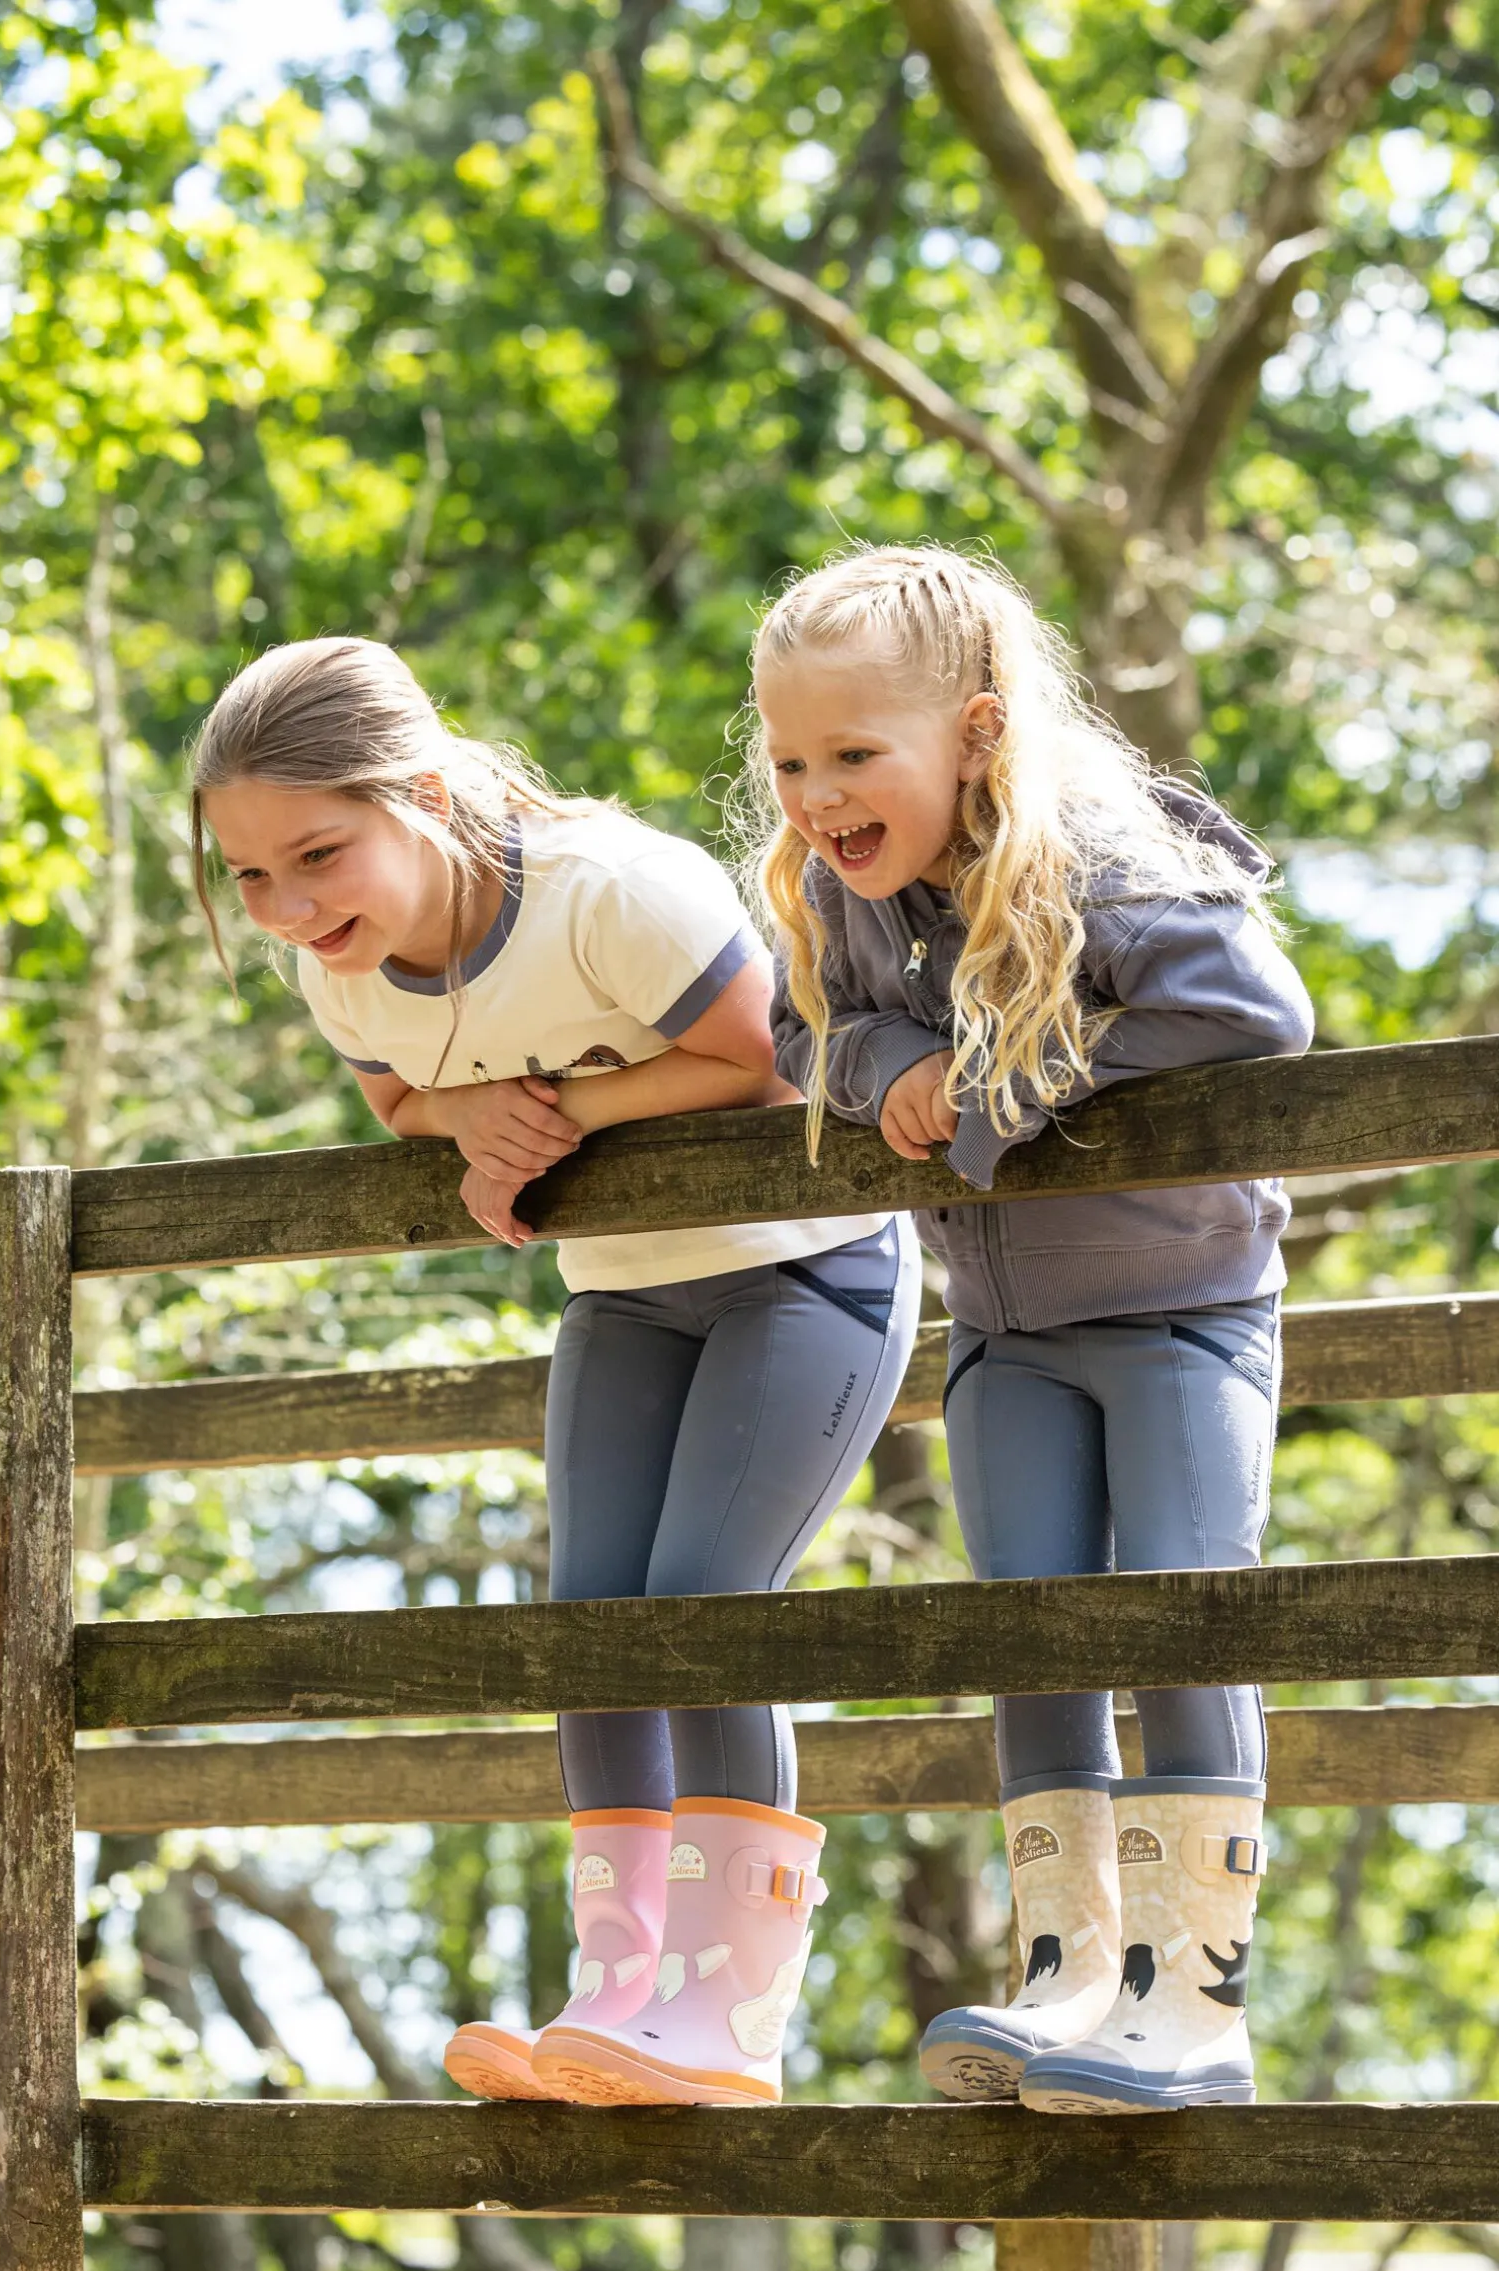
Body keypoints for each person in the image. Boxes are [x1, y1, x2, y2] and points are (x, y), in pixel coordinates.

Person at [189, 636, 920, 2108]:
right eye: (250, 875)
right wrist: (471, 1122)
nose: (288, 907)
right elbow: (401, 1094)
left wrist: (546, 1115)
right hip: (626, 1296)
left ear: (428, 794)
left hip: (804, 1269)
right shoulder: (346, 972)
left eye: (319, 854)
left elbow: (764, 1060)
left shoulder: (611, 893)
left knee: (701, 1606)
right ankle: (615, 1997)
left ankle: (726, 2012)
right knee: (586, 1624)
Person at [753, 544, 1313, 2115]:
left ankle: (1193, 2000)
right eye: (791, 758)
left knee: (1184, 1615)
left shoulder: (1094, 854)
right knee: (1031, 1631)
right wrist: (878, 1073)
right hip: (1003, 1328)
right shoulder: (831, 894)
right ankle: (1073, 1969)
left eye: (855, 755)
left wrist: (995, 1081)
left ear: (980, 734)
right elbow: (802, 1027)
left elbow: (1255, 1007)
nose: (814, 793)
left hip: (1180, 1313)